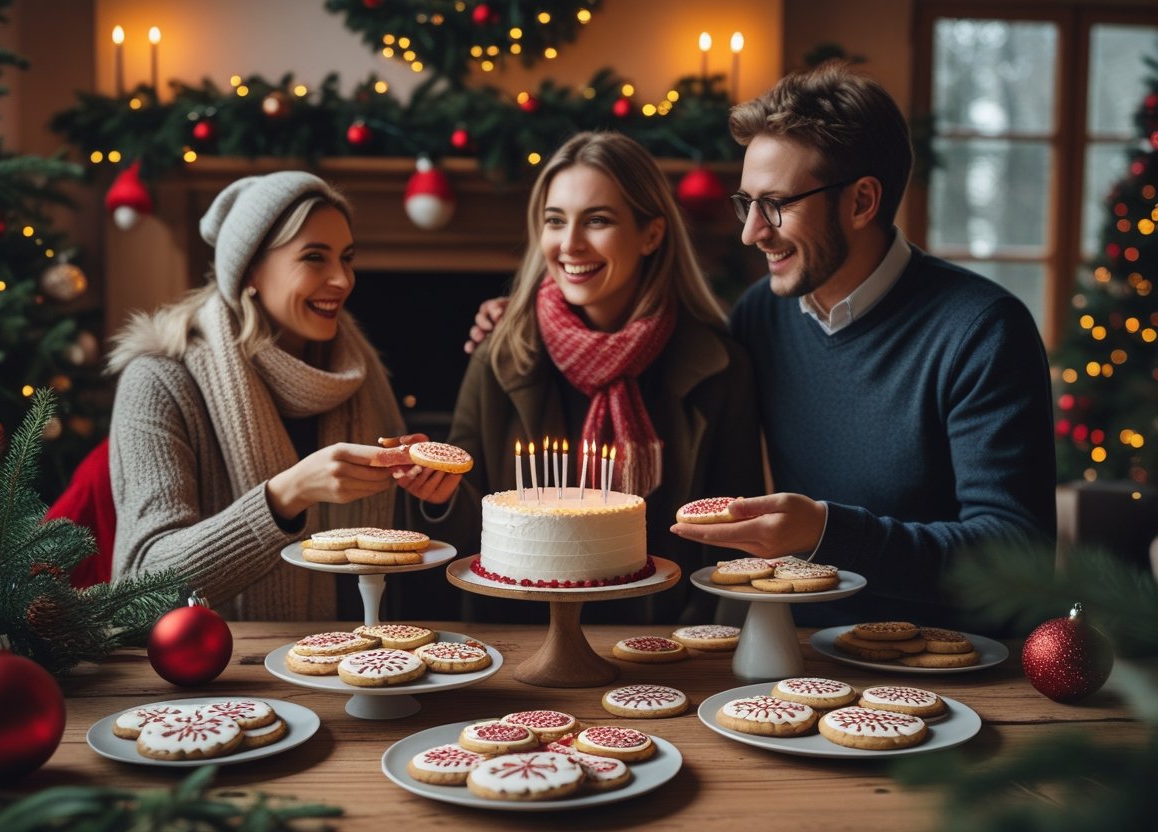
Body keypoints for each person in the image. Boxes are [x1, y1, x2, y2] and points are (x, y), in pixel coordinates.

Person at [669, 62, 1056, 628]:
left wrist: (828, 532)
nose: (752, 232)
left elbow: (1016, 556)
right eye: (746, 203)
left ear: (861, 202)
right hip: (801, 650)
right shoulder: (759, 314)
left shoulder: (984, 330)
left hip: (958, 659)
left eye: (776, 204)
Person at [428, 131, 763, 625]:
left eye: (597, 220)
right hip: (521, 640)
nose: (570, 244)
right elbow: (464, 523)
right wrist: (434, 495)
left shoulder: (718, 367)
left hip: (665, 644)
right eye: (555, 220)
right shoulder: (501, 354)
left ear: (651, 234)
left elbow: (733, 544)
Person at [108, 171, 460, 620]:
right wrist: (284, 497)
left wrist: (426, 497)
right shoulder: (158, 380)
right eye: (314, 258)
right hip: (226, 658)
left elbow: (393, 548)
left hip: (362, 649)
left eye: (347, 258)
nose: (342, 279)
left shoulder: (360, 372)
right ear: (250, 271)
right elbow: (138, 588)